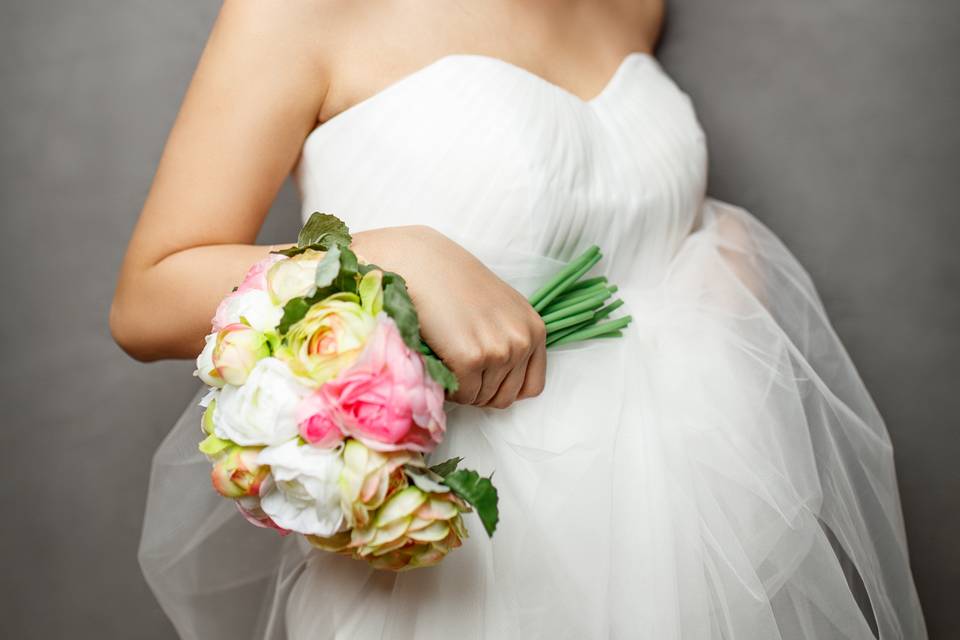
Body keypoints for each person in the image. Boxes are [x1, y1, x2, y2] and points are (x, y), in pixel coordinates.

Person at [112, 1, 927, 638]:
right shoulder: (307, 7)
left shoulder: (630, 3)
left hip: (691, 521)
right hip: (466, 549)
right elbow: (149, 299)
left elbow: (594, 211)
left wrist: (718, 245)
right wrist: (387, 256)